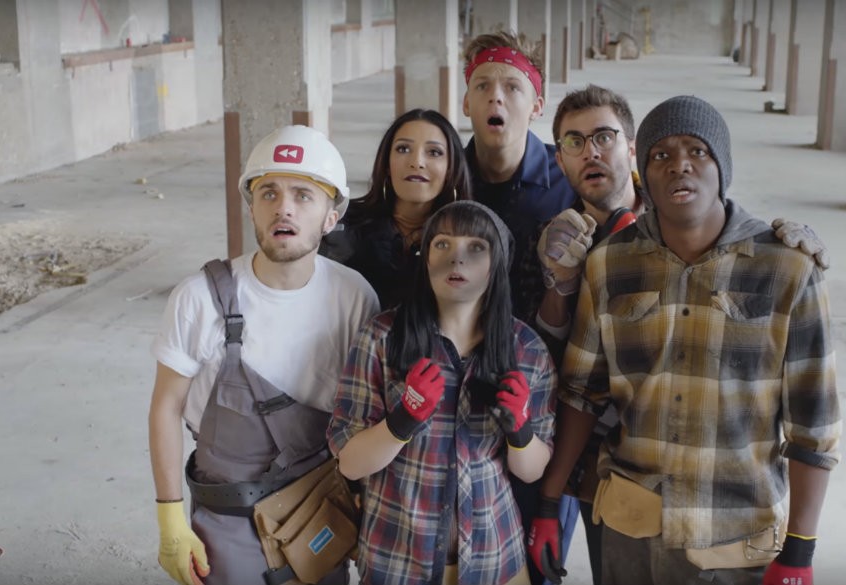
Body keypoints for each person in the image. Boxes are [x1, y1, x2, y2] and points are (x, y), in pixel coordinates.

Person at [527, 86, 832, 585]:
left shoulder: (787, 268)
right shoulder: (609, 264)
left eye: (698, 151)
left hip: (736, 542)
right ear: (644, 173)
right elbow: (581, 393)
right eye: (662, 155)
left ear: (722, 167)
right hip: (631, 534)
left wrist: (800, 547)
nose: (680, 165)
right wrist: (548, 501)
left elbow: (814, 422)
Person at [148, 125, 380, 585]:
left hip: (319, 512)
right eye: (268, 192)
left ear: (330, 218)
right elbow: (165, 407)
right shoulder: (200, 298)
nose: (284, 207)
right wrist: (169, 516)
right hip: (226, 518)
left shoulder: (353, 297)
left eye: (303, 195)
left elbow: (367, 413)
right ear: (252, 207)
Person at [328, 201, 556, 585]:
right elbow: (350, 464)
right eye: (443, 244)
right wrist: (402, 421)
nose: (457, 259)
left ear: (497, 263)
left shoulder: (527, 349)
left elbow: (531, 471)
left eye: (476, 247)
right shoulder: (381, 338)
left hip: (495, 563)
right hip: (396, 565)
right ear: (426, 258)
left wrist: (521, 431)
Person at [460, 31, 581, 584]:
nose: (496, 96)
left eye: (512, 86)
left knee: (538, 556)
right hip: (459, 399)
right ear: (466, 101)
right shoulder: (445, 176)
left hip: (549, 399)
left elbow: (644, 212)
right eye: (483, 85)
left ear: (537, 104)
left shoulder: (569, 176)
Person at [321, 108, 473, 309]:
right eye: (403, 149)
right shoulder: (340, 228)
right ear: (386, 164)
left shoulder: (471, 239)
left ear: (451, 169)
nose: (417, 162)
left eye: (434, 152)